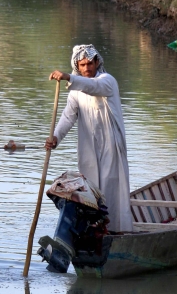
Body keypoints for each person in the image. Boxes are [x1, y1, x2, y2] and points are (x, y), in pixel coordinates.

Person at [45, 44, 132, 234]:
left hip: (111, 145)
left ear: (97, 62)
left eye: (89, 63)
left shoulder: (107, 81)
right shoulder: (76, 91)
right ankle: (94, 229)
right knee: (91, 189)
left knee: (111, 188)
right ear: (77, 65)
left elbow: (93, 86)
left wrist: (68, 77)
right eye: (82, 65)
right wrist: (55, 138)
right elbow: (68, 117)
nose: (87, 68)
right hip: (89, 147)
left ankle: (116, 231)